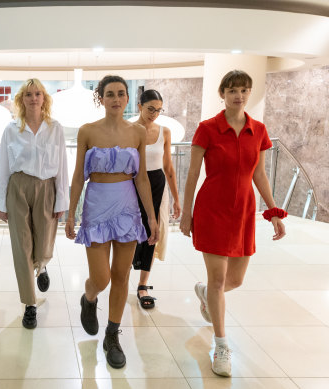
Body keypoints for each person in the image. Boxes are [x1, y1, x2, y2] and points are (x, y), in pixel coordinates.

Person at [180, 70, 287, 377]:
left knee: (235, 281)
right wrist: (186, 213)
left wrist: (274, 211)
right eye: (232, 90)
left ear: (248, 94)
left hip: (243, 210)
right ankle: (221, 345)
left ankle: (204, 293)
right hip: (212, 208)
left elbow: (259, 174)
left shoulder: (259, 130)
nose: (238, 95)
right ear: (222, 94)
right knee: (218, 280)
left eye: (243, 90)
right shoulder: (207, 128)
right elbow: (191, 174)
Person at [65, 75, 158, 369]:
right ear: (100, 99)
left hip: (127, 206)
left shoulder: (138, 132)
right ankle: (89, 297)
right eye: (110, 94)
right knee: (102, 278)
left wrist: (152, 217)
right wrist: (70, 213)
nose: (116, 99)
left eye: (121, 93)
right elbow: (79, 175)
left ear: (128, 98)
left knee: (121, 276)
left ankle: (112, 335)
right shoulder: (87, 131)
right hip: (96, 204)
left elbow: (142, 178)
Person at [0, 78, 69, 330]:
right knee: (21, 246)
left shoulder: (55, 127)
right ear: (21, 99)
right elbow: (2, 165)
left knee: (44, 241)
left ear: (44, 98)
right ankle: (29, 304)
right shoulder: (10, 129)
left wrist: (62, 199)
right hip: (18, 187)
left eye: (38, 94)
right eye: (28, 94)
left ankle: (42, 265)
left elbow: (62, 167)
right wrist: (0, 201)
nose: (33, 98)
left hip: (46, 187)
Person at [131, 90, 181, 309]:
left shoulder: (165, 132)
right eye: (150, 108)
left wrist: (177, 199)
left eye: (158, 110)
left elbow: (168, 167)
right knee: (131, 233)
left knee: (154, 233)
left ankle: (143, 284)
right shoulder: (129, 130)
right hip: (132, 185)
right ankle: (122, 277)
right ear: (139, 105)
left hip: (158, 183)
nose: (154, 114)